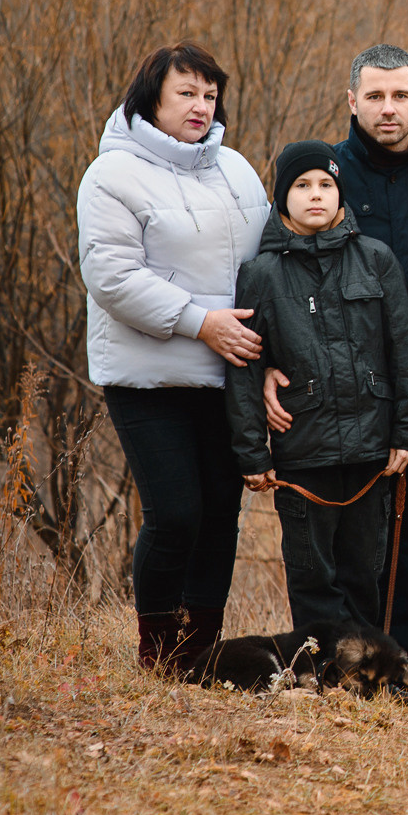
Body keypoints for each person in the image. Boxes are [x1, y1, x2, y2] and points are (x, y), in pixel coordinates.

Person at [78, 42, 269, 673]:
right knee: (177, 513)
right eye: (186, 92)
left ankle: (200, 653)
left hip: (229, 373)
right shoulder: (112, 174)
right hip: (148, 378)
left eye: (209, 95)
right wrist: (201, 323)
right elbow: (111, 277)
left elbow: (270, 266)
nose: (200, 105)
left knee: (220, 513)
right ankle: (159, 652)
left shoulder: (236, 169)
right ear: (151, 98)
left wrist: (274, 357)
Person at [226, 143, 408, 635]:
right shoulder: (261, 274)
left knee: (364, 572)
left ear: (340, 194)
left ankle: (362, 670)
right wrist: (252, 453)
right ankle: (319, 666)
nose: (315, 195)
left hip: (371, 448)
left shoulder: (375, 259)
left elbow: (405, 350)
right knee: (312, 574)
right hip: (302, 449)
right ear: (282, 197)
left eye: (326, 185)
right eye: (302, 185)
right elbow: (246, 369)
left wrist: (407, 433)